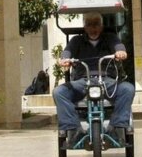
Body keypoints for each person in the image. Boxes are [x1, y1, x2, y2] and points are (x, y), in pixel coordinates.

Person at [54, 13, 135, 144]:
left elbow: (119, 46)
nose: (93, 28)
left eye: (96, 24)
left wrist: (121, 52)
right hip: (82, 81)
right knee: (59, 92)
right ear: (85, 27)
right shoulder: (76, 41)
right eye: (89, 25)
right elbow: (67, 52)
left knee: (128, 89)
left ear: (101, 26)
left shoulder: (110, 38)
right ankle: (74, 129)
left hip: (106, 80)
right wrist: (64, 59)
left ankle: (115, 127)